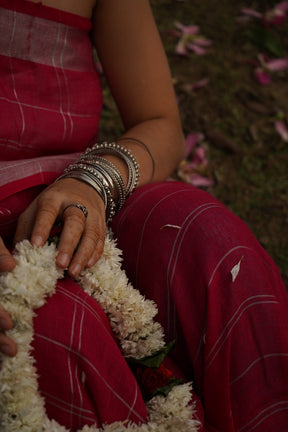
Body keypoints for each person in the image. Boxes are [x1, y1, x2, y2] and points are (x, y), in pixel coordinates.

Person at [0, 0, 288, 431]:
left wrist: (92, 183)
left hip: (81, 189)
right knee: (54, 328)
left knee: (210, 240)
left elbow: (159, 122)